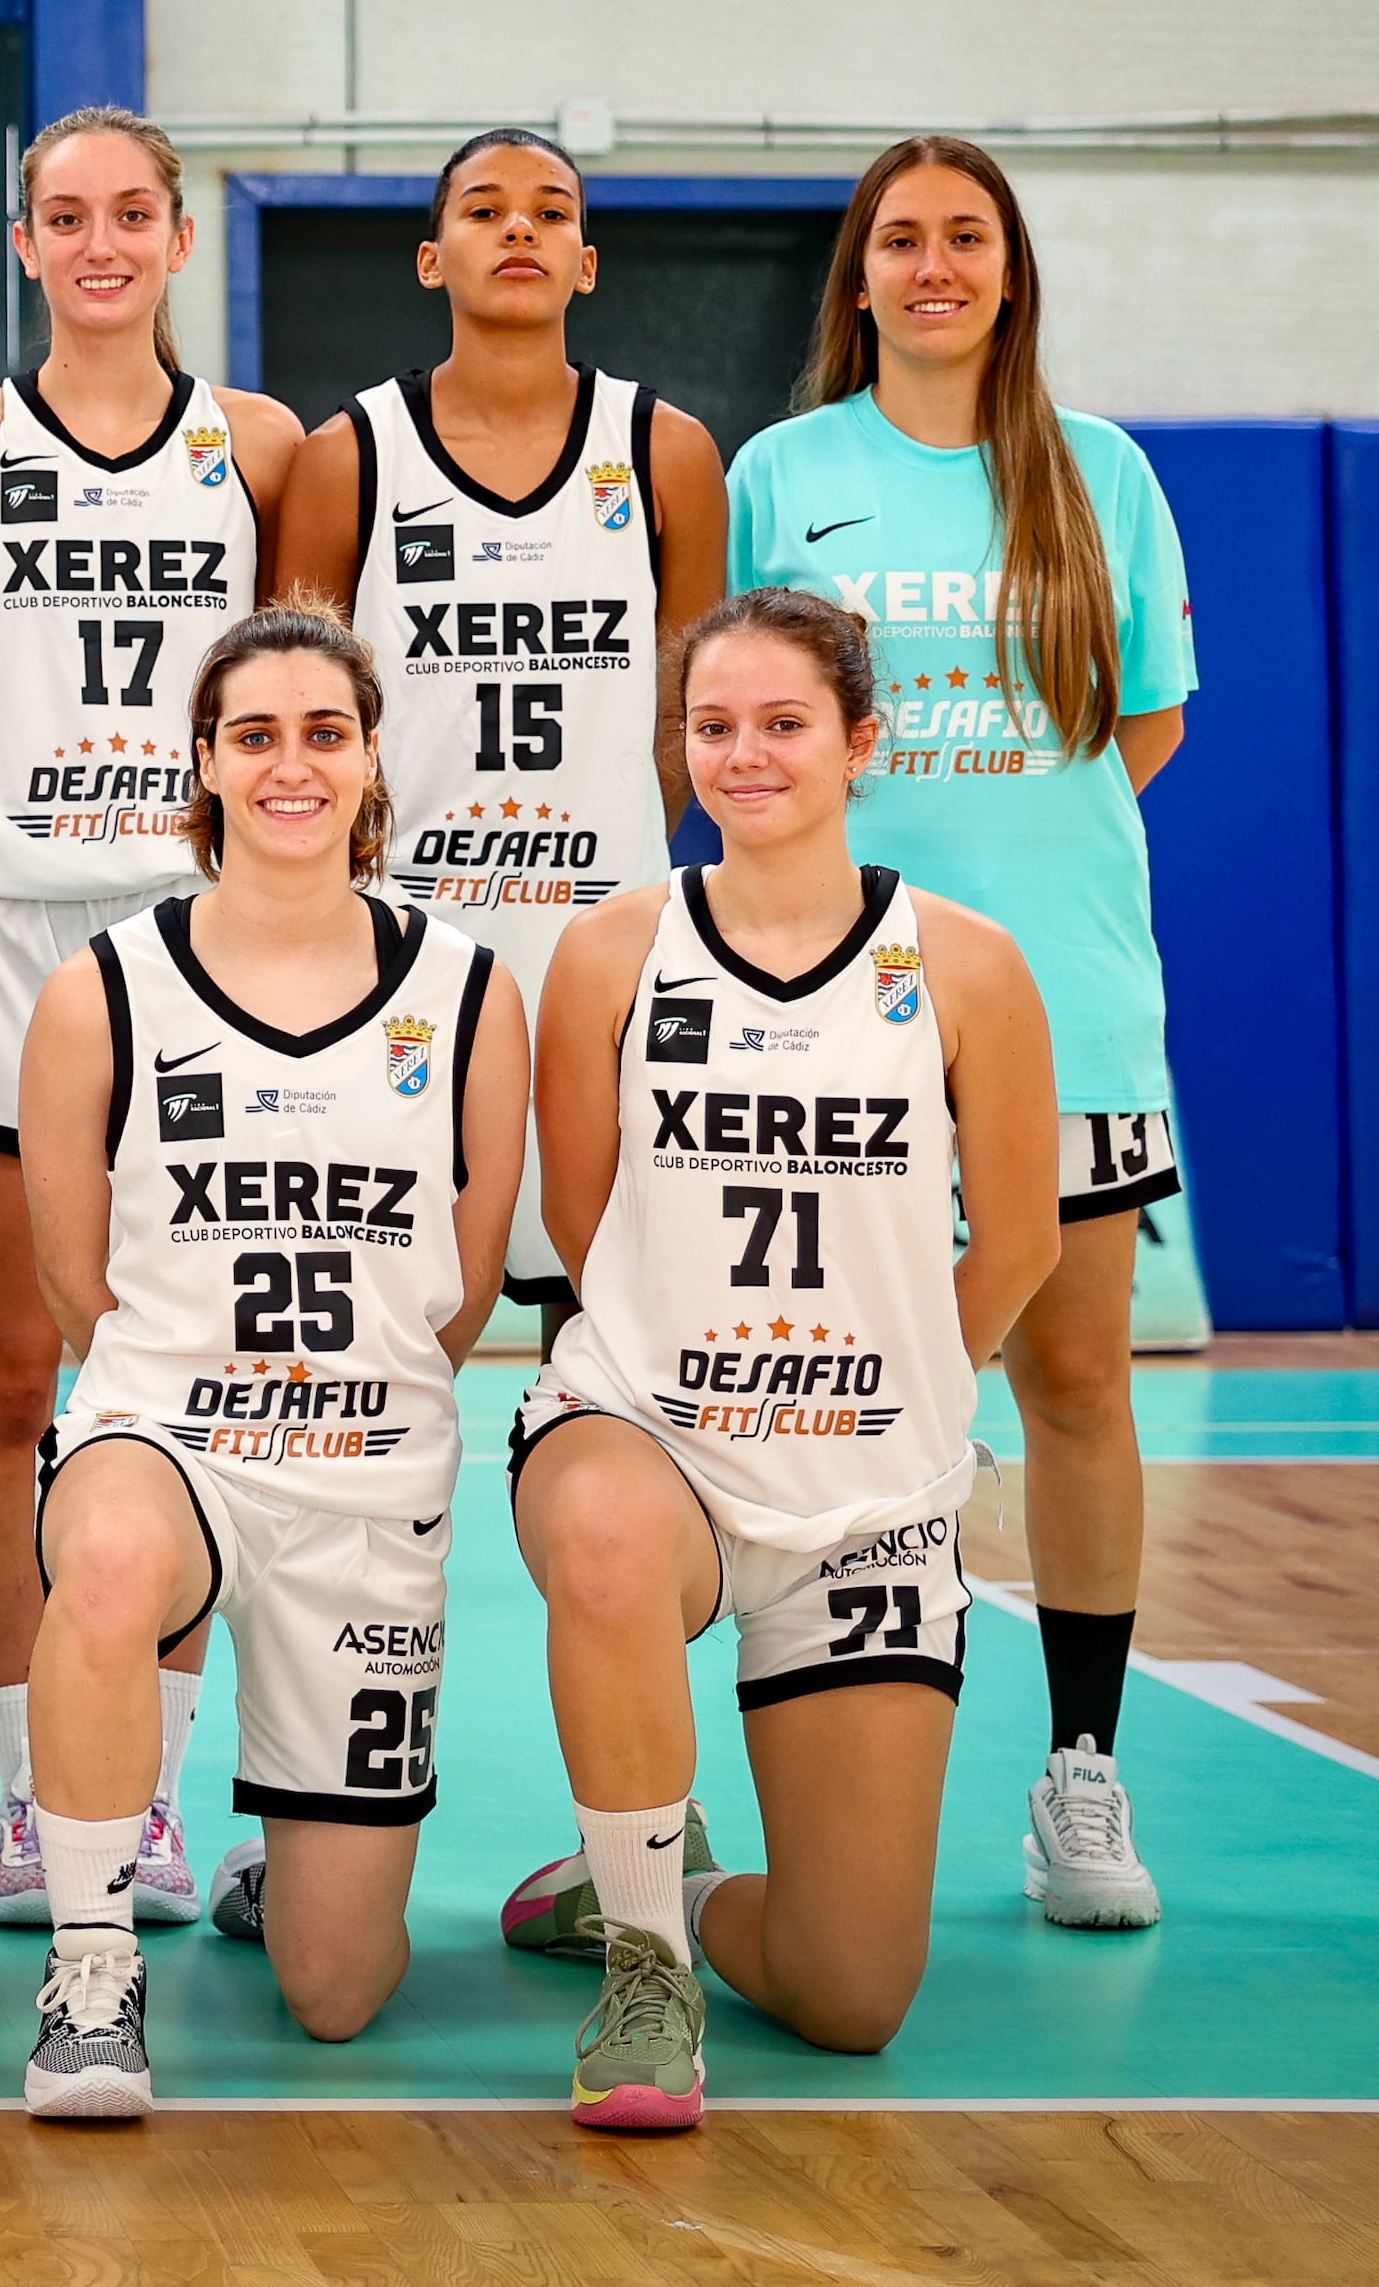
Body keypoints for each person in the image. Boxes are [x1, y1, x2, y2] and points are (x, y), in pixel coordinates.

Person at [496, 588, 1058, 2131]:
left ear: (862, 742)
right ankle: (646, 1960)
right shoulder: (614, 950)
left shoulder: (971, 967)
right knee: (605, 1536)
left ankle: (651, 1881)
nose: (745, 755)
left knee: (849, 1994)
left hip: (866, 1500)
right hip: (650, 1438)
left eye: (784, 723)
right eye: (714, 726)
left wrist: (894, 1390)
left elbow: (1016, 1245)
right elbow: (582, 1215)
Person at [724, 137, 1191, 1932]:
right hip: (836, 1006)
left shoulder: (1106, 475)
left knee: (1072, 1385)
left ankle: (1080, 1768)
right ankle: (780, 1792)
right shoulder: (788, 472)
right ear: (856, 278)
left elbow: (1135, 727)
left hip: (1066, 997)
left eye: (966, 239)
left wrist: (1004, 853)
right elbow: (753, 725)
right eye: (901, 239)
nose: (934, 266)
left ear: (1011, 272)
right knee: (816, 1407)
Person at [9, 607, 523, 2116]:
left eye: (323, 732)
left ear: (369, 760)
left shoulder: (469, 991)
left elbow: (463, 1285)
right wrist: (202, 1384)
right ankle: (93, 1971)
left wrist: (337, 1393)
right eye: (254, 734)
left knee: (338, 1995)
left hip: (368, 1476)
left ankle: (281, 1867)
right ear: (205, 763)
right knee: (103, 1562)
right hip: (167, 1435)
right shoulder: (101, 986)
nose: (290, 764)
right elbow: (73, 1281)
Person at [0, 106, 299, 1936]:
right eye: (68, 214)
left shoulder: (263, 449)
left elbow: (295, 706)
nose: (103, 240)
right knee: (8, 1381)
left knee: (192, 1381)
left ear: (181, 236)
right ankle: (15, 1783)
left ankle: (140, 1793)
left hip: (196, 947)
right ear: (26, 239)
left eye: (134, 211)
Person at [280, 126, 724, 1344]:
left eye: (548, 211)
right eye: (483, 210)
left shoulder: (664, 453)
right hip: (411, 949)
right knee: (396, 1326)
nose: (518, 228)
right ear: (431, 260)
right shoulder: (347, 456)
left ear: (587, 263)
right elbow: (299, 726)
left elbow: (690, 717)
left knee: (611, 1336)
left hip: (604, 945)